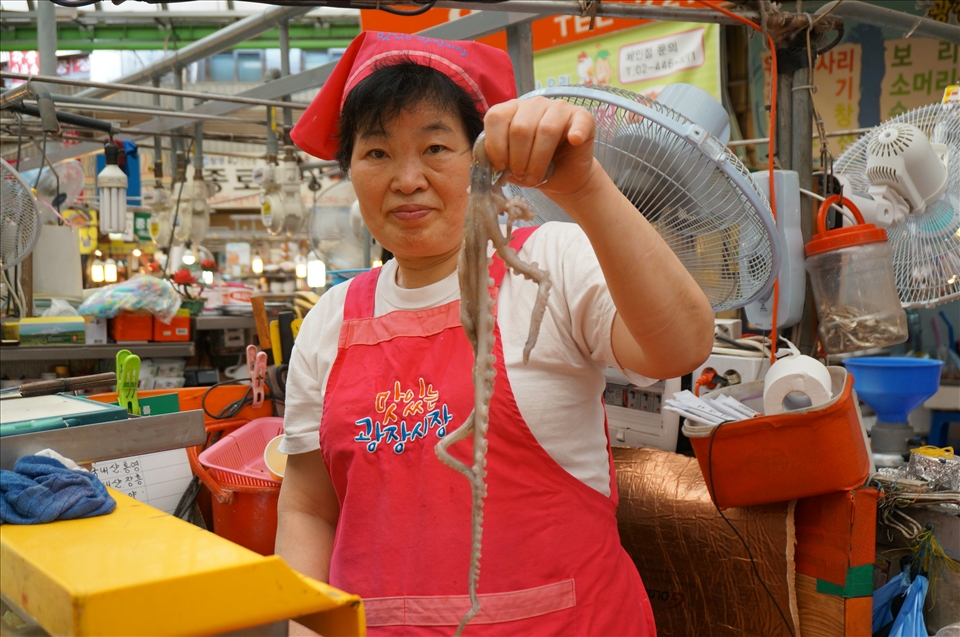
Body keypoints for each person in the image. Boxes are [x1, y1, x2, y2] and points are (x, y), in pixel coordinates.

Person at [277, 31, 714, 636]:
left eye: (436, 147)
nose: (407, 179)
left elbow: (681, 347)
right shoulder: (331, 319)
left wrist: (586, 189)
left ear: (481, 158)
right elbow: (308, 508)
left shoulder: (551, 265)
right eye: (377, 153)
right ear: (349, 169)